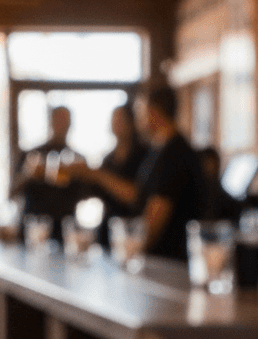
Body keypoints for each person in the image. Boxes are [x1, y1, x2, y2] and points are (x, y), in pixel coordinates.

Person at [71, 87, 205, 261]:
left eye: (139, 110)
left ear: (153, 111)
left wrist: (127, 256)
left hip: (170, 266)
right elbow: (140, 197)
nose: (136, 118)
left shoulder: (174, 155)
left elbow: (152, 224)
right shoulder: (158, 150)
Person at [11, 105, 85, 233]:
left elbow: (86, 196)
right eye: (58, 120)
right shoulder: (31, 155)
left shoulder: (78, 160)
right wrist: (28, 174)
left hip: (64, 231)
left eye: (65, 120)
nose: (61, 124)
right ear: (50, 121)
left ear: (70, 123)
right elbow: (11, 192)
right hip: (32, 229)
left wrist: (81, 174)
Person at [94, 102, 149, 248]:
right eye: (114, 119)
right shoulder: (108, 159)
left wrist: (95, 175)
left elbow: (136, 195)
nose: (116, 123)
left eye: (120, 119)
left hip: (132, 232)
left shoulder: (144, 155)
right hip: (107, 231)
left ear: (131, 122)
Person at [197, 147, 243, 223]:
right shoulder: (197, 195)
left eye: (213, 164)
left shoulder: (218, 195)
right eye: (208, 164)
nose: (211, 168)